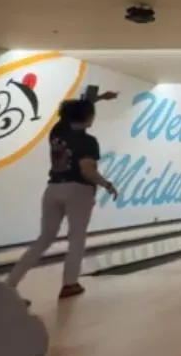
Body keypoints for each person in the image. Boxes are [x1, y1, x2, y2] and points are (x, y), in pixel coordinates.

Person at [6, 92, 120, 302]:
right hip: (78, 191)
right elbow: (87, 170)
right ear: (88, 117)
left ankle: (10, 283)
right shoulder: (88, 141)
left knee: (44, 238)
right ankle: (70, 284)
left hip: (53, 189)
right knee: (76, 238)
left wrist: (98, 98)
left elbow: (72, 111)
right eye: (92, 114)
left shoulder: (58, 132)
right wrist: (107, 184)